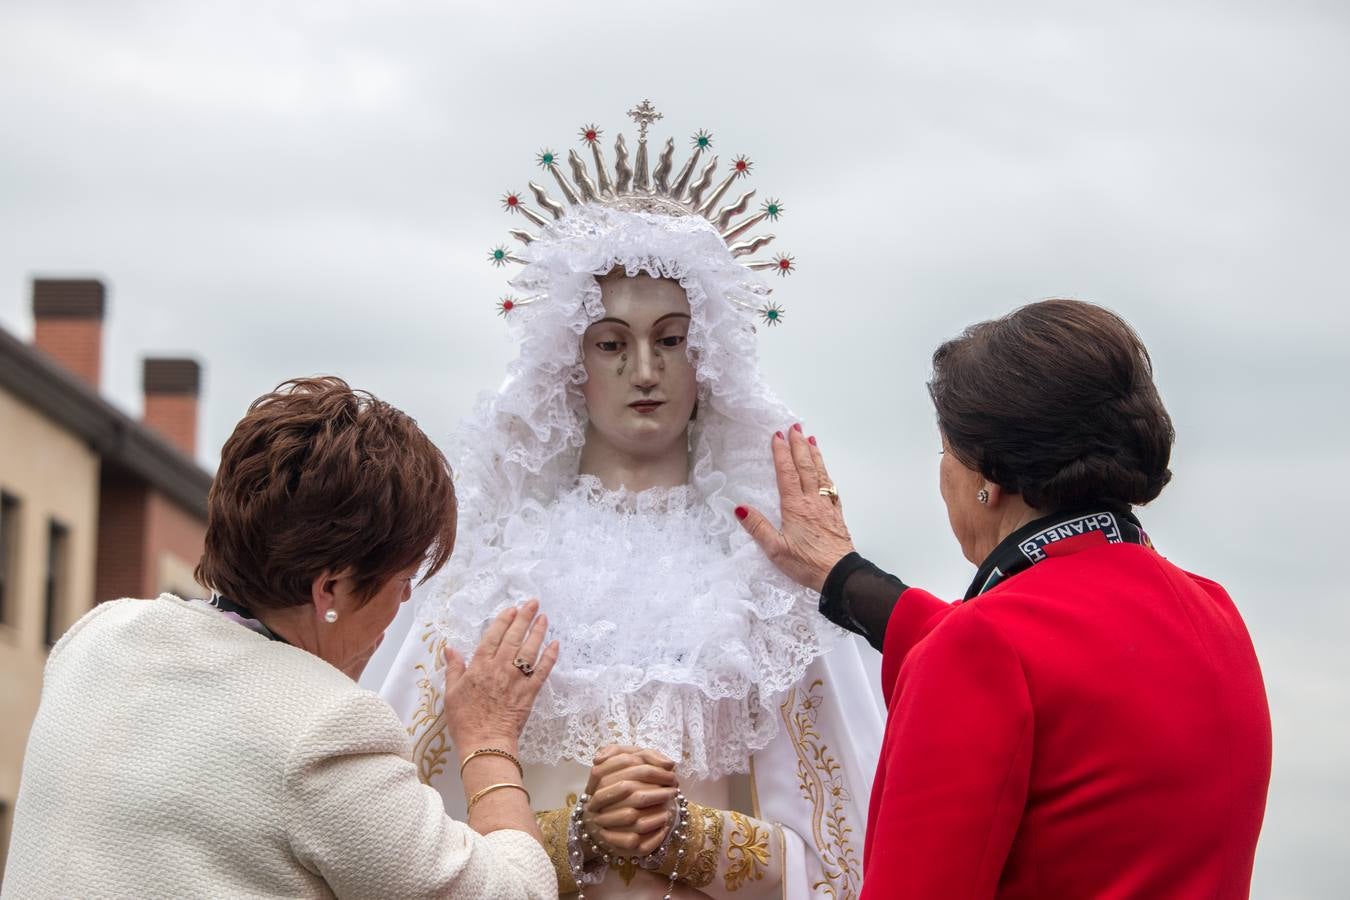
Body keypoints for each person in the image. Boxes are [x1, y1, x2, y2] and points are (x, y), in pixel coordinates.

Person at [377, 102, 883, 898]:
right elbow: (396, 842)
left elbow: (847, 855)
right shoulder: (494, 576)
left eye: (671, 339)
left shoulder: (763, 582)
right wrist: (574, 834)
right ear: (570, 361)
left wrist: (690, 836)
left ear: (706, 353)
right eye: (611, 343)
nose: (643, 370)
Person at [737, 299, 1273, 898]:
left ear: (987, 478)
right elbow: (1053, 670)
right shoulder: (1215, 612)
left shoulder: (982, 649)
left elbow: (989, 661)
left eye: (945, 450)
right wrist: (842, 575)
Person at [2, 377, 560, 900]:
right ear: (332, 588)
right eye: (403, 579)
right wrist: (490, 740)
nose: (406, 600)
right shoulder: (326, 731)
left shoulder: (101, 634)